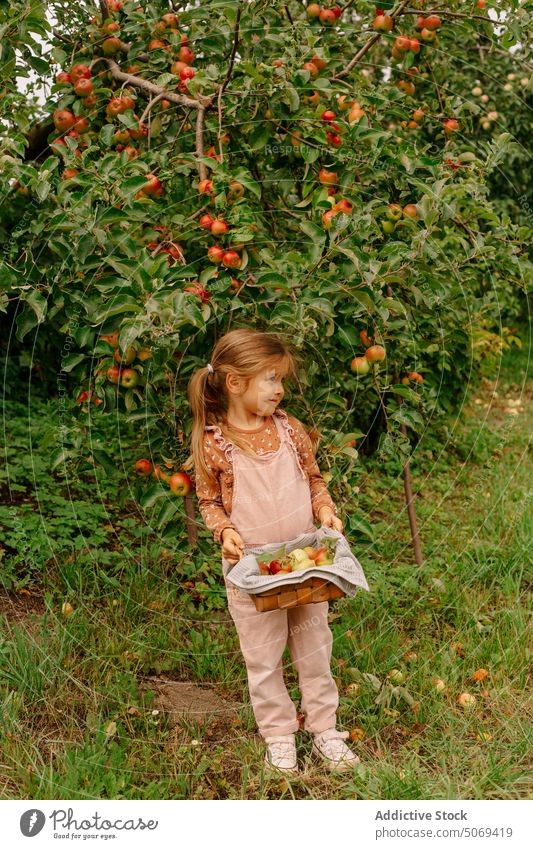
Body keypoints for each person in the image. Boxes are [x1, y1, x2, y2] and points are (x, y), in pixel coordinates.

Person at [185, 328, 359, 775]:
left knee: (314, 646)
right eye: (270, 379)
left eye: (280, 379)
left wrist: (325, 509)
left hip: (304, 563)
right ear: (234, 383)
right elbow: (208, 502)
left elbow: (315, 478)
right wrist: (224, 531)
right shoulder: (213, 441)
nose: (279, 389)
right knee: (262, 656)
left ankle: (324, 729)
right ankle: (280, 735)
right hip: (253, 570)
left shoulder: (290, 429)